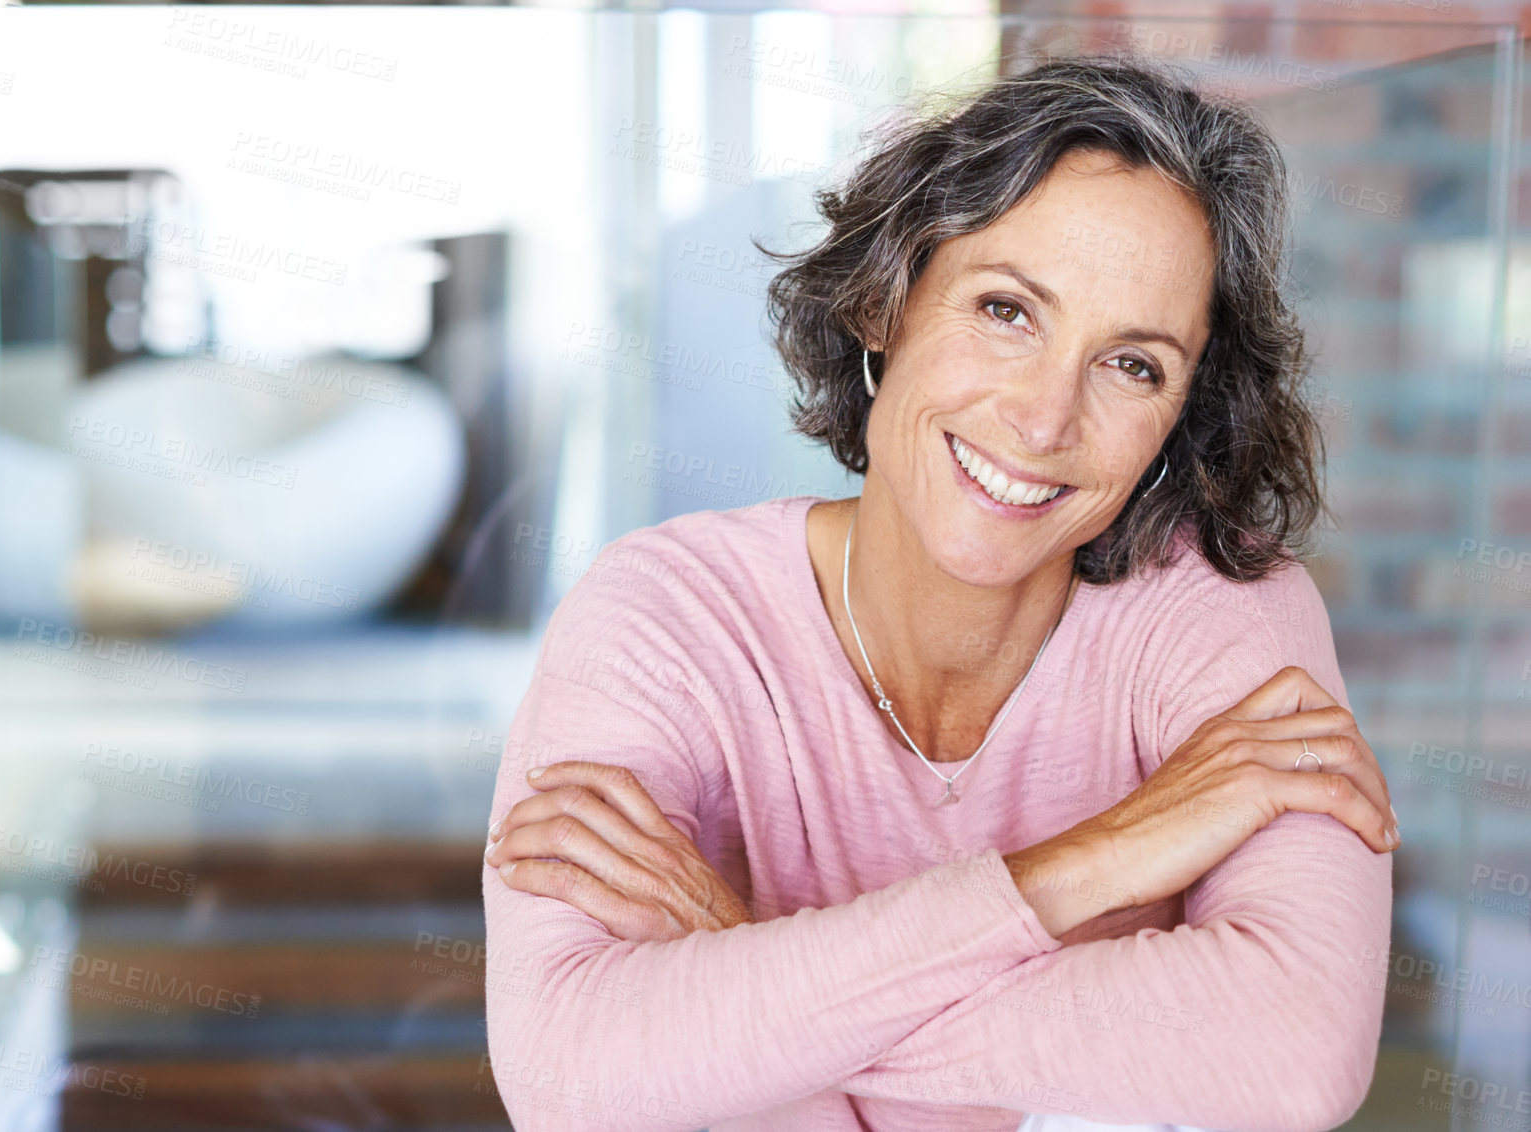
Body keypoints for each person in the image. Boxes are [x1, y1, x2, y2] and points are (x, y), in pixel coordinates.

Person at [480, 53, 1395, 1132]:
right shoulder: (666, 619)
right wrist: (1081, 865)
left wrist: (739, 969)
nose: (1043, 418)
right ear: (884, 301)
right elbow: (566, 1073)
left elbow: (1293, 1063)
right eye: (1006, 310)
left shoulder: (1219, 612)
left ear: (1181, 415)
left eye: (1132, 365)